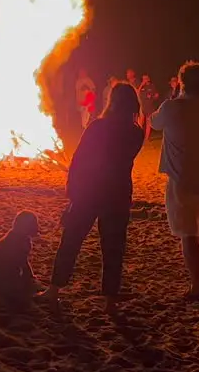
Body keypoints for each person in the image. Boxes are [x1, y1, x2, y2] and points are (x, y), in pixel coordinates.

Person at [41, 81, 145, 311]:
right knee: (113, 247)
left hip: (90, 191)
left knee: (71, 240)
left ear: (112, 102)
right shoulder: (135, 133)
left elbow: (79, 159)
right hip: (117, 193)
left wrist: (73, 189)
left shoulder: (98, 127)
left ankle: (54, 289)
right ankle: (110, 300)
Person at [150, 61, 199, 299]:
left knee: (188, 235)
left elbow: (153, 122)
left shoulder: (173, 107)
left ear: (182, 82)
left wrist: (174, 96)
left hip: (181, 180)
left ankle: (197, 284)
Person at [0, 211, 41, 304]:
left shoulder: (19, 238)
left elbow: (22, 260)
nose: (36, 227)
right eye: (33, 224)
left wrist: (29, 275)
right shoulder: (19, 241)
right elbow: (21, 261)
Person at [137, 74, 161, 142]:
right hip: (142, 107)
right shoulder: (141, 87)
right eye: (143, 78)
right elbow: (137, 93)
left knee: (148, 123)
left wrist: (155, 96)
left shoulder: (152, 86)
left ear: (149, 79)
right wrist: (142, 84)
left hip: (149, 107)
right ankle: (139, 137)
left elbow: (155, 96)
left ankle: (146, 138)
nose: (145, 80)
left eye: (146, 78)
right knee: (140, 123)